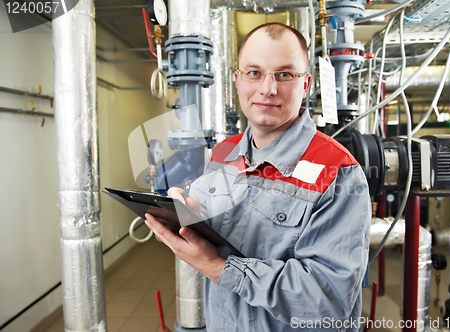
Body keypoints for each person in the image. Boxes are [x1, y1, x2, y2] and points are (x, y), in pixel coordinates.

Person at [144, 22, 371, 332]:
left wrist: (217, 266)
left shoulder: (338, 174)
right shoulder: (223, 153)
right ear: (238, 81)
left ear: (305, 85)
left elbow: (329, 300)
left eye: (285, 74)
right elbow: (216, 232)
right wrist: (187, 219)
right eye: (254, 73)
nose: (268, 89)